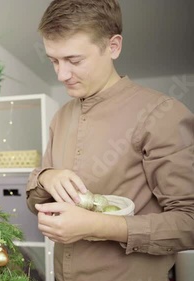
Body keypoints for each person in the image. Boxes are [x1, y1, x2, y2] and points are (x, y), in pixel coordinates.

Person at [25, 1, 194, 280]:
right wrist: (47, 177)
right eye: (53, 60)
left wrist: (98, 226)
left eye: (74, 60)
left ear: (113, 46)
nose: (61, 75)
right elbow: (36, 205)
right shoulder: (61, 117)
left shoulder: (162, 114)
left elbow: (189, 222)